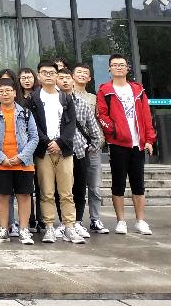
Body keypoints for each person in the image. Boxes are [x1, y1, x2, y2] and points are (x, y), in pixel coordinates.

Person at [97, 53, 156, 235]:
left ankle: (140, 220)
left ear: (127, 68)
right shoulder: (105, 90)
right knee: (118, 183)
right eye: (115, 65)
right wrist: (114, 131)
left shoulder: (138, 90)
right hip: (118, 143)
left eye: (122, 65)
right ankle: (121, 221)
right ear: (109, 69)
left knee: (138, 184)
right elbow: (102, 115)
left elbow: (146, 116)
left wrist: (149, 139)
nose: (119, 67)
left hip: (138, 144)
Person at [31, 60, 84, 244]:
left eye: (52, 73)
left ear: (57, 75)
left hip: (64, 151)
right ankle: (49, 227)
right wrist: (47, 142)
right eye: (44, 72)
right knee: (46, 191)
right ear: (39, 75)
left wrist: (60, 143)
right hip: (43, 151)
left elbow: (71, 124)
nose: (48, 76)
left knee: (66, 192)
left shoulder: (66, 98)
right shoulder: (34, 99)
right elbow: (33, 125)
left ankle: (69, 227)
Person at [0, 77, 39, 245]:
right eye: (1, 91)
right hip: (0, 163)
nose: (5, 94)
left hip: (23, 163)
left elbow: (34, 137)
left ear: (15, 92)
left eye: (8, 91)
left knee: (24, 196)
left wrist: (21, 157)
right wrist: (1, 157)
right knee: (2, 196)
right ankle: (3, 229)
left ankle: (23, 230)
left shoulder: (25, 113)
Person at [57, 66, 104, 240]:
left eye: (67, 78)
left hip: (79, 153)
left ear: (73, 81)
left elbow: (95, 133)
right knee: (61, 190)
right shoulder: (52, 104)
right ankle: (64, 223)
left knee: (79, 189)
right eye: (61, 78)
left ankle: (77, 222)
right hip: (58, 153)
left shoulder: (83, 104)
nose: (65, 81)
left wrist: (87, 148)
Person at [72, 63, 109, 234]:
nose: (81, 75)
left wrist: (97, 143)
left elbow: (99, 122)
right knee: (74, 186)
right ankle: (74, 220)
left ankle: (95, 219)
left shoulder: (94, 98)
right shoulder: (66, 96)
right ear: (72, 76)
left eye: (85, 73)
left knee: (94, 186)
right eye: (78, 72)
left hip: (92, 148)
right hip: (74, 148)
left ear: (89, 78)